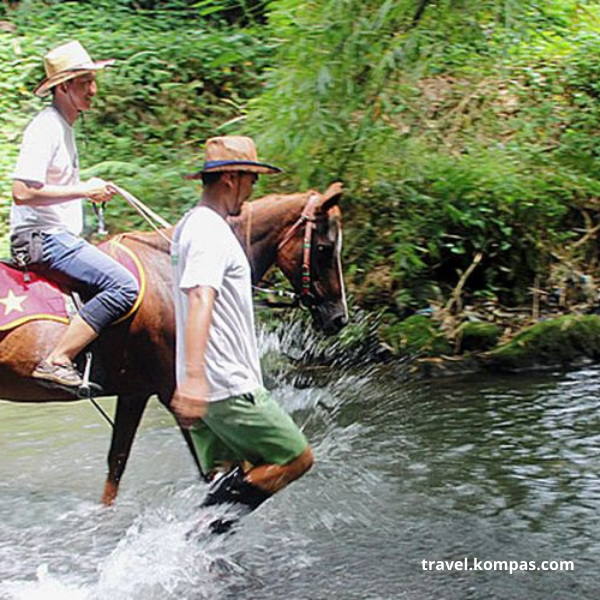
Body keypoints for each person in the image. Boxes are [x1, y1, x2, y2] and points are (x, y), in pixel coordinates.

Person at [171, 136, 314, 530]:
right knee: (296, 458)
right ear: (231, 178)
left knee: (231, 476)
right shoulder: (208, 230)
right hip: (225, 386)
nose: (252, 192)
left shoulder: (190, 226)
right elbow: (201, 297)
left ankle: (199, 566)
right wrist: (197, 378)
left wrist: (190, 378)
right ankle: (190, 537)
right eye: (251, 179)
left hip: (209, 387)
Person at [10, 40, 139, 390]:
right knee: (124, 286)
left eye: (93, 81)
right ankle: (58, 359)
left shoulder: (62, 128)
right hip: (42, 240)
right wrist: (85, 190)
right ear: (64, 86)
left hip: (55, 237)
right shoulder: (46, 128)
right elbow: (22, 192)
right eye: (85, 83)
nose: (93, 90)